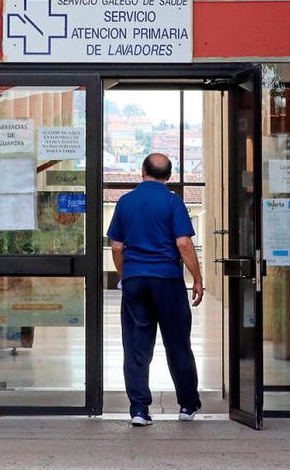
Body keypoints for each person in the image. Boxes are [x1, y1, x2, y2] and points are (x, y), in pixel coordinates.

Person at [107, 153, 204, 427]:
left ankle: (139, 409)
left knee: (137, 347)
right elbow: (184, 243)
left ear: (142, 172)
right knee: (178, 345)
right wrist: (197, 278)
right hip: (168, 281)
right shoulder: (173, 202)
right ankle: (187, 405)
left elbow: (116, 247)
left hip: (136, 280)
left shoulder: (125, 202)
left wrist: (126, 275)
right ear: (169, 176)